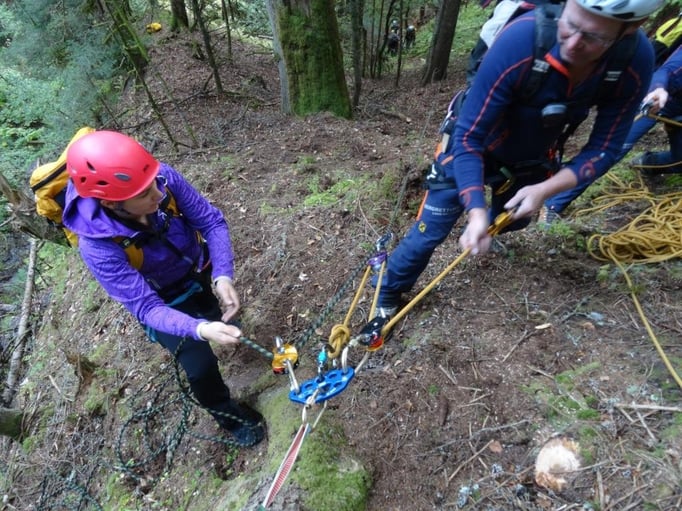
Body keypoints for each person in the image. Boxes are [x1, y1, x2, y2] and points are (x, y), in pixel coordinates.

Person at [373, 0, 662, 319]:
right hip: (470, 145)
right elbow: (468, 137)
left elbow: (605, 148)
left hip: (531, 158)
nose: (573, 43)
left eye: (593, 37)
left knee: (515, 220)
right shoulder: (522, 40)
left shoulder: (633, 61)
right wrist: (475, 210)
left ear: (630, 29)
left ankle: (490, 239)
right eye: (570, 24)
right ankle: (387, 291)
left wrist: (545, 190)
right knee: (430, 231)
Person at [62, 130, 265, 447]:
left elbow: (210, 222)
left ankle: (220, 326)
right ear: (110, 202)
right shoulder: (98, 247)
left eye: (155, 183)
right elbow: (147, 308)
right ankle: (231, 418)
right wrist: (198, 329)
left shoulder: (161, 179)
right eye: (145, 194)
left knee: (216, 311)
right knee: (200, 368)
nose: (158, 193)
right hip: (164, 302)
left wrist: (223, 275)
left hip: (197, 268)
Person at [542, 14, 682, 221]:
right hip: (657, 100)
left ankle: (645, 164)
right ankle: (553, 203)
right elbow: (668, 71)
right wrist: (658, 88)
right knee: (611, 150)